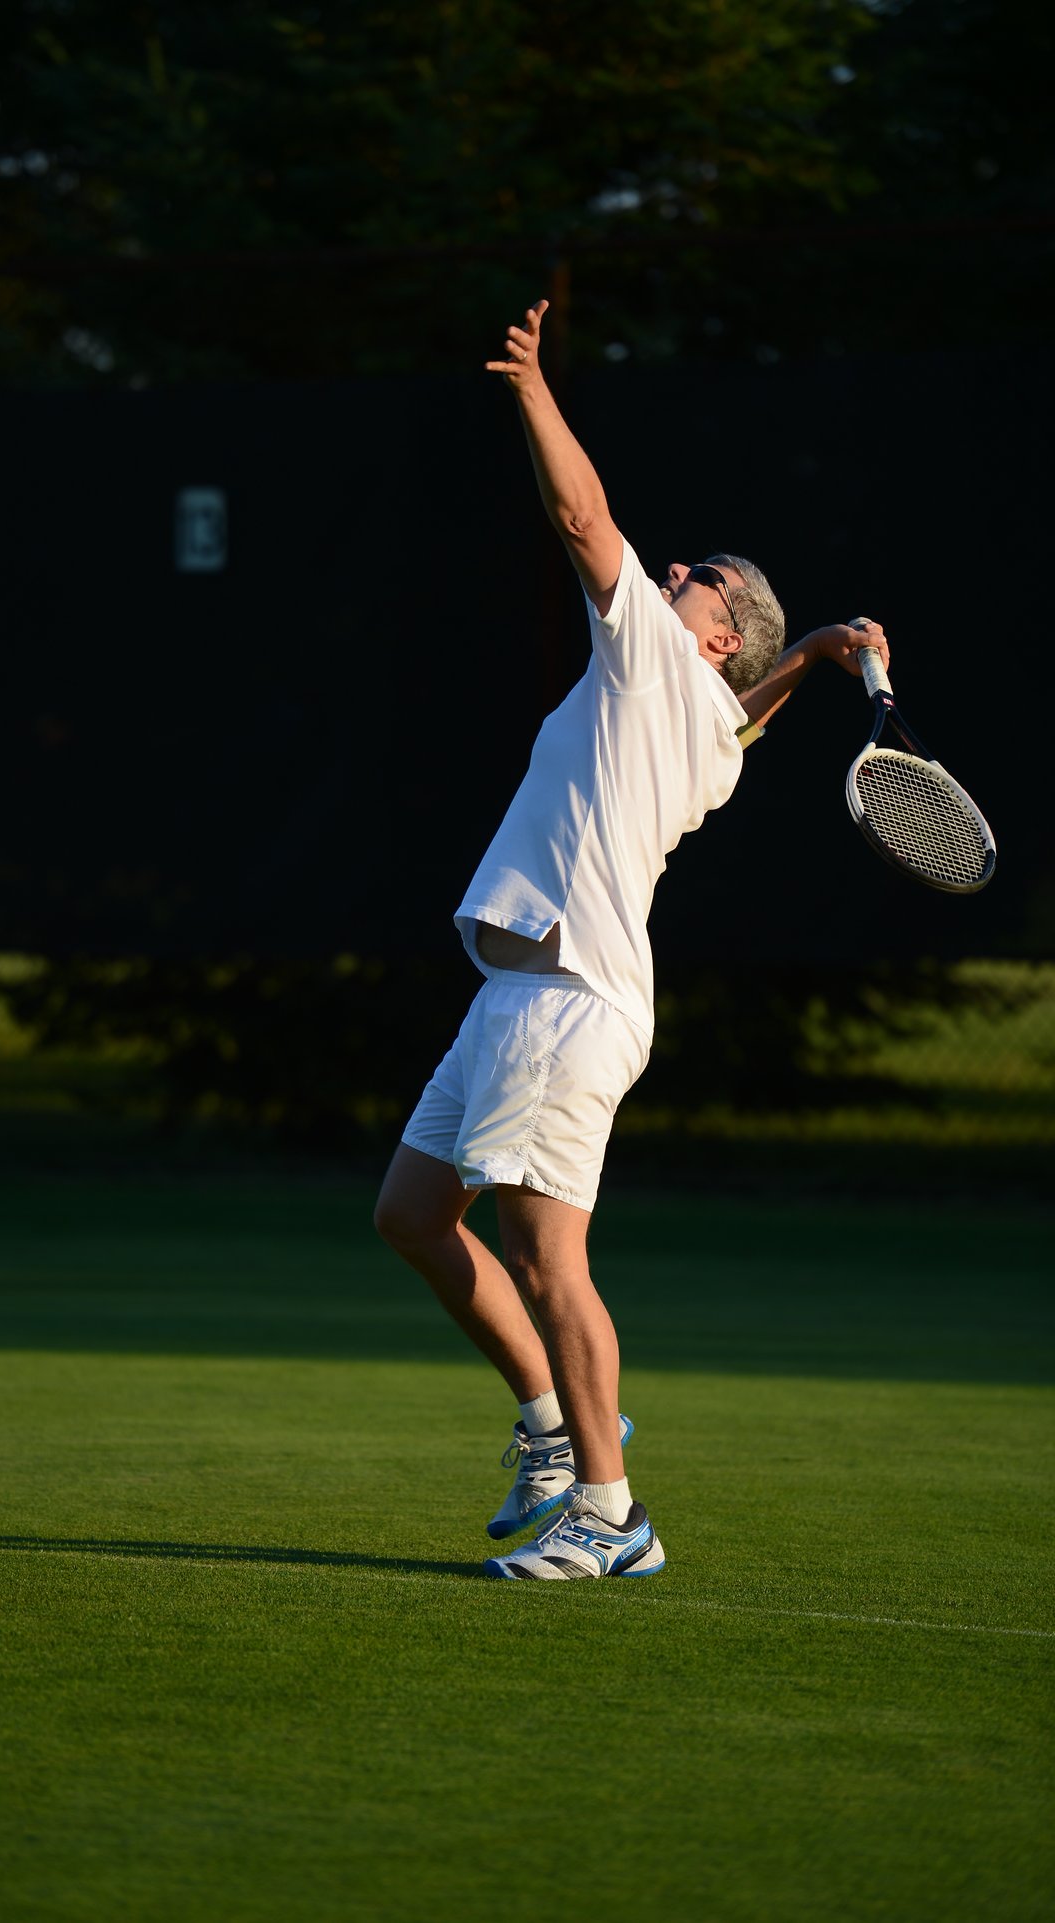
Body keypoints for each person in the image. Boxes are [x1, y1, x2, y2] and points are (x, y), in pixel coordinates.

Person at [373, 298, 890, 1581]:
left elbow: (580, 519)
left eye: (691, 587)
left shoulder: (659, 665)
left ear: (706, 639)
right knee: (412, 1213)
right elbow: (738, 716)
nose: (666, 579)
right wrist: (811, 657)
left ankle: (610, 1518)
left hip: (564, 1004)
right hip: (521, 994)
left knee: (551, 1258)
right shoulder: (707, 736)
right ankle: (555, 1429)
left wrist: (531, 387)